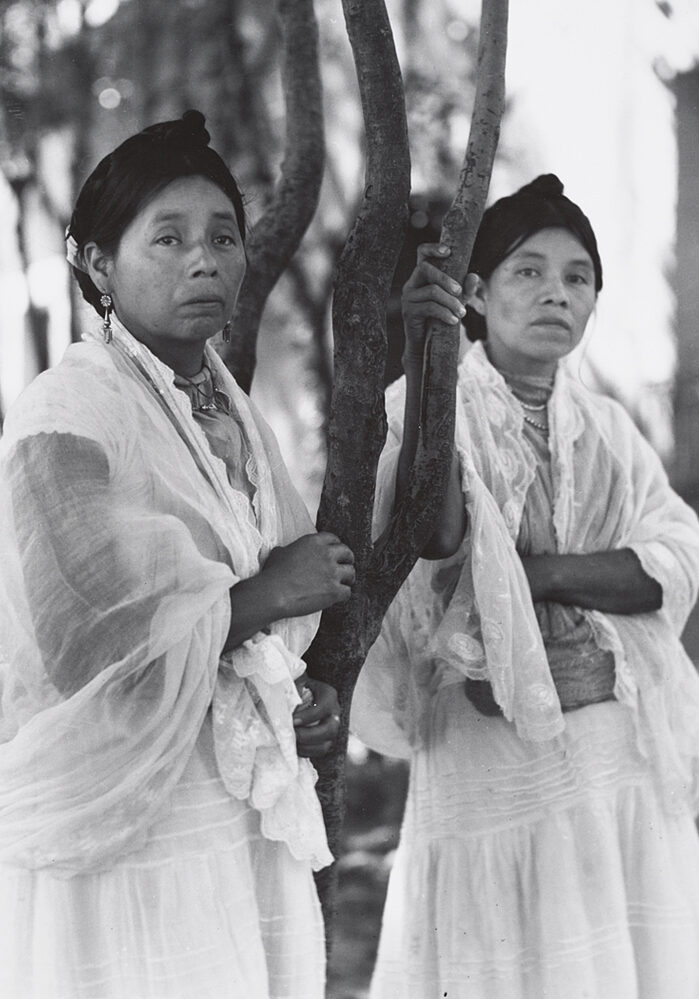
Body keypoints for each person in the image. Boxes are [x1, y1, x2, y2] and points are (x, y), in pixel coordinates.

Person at [0, 110, 355, 999]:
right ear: (95, 264)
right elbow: (84, 645)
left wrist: (293, 693)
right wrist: (266, 596)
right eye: (168, 237)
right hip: (131, 831)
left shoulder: (224, 404)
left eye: (223, 237)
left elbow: (240, 639)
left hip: (230, 817)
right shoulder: (68, 413)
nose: (205, 259)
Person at [351, 174, 699, 998]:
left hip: (608, 757)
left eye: (577, 276)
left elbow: (676, 553)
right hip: (486, 756)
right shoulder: (424, 405)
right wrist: (426, 361)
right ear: (473, 292)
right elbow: (435, 539)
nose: (556, 292)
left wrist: (532, 576)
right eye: (527, 271)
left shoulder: (606, 426)